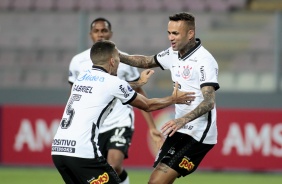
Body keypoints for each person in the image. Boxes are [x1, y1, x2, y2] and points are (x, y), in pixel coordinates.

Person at [52, 40, 195, 184]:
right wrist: (174, 99)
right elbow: (148, 105)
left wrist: (138, 83)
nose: (119, 63)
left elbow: (109, 87)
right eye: (118, 59)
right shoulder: (112, 82)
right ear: (112, 61)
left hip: (59, 151)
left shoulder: (81, 78)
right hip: (82, 152)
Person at [118, 12, 220, 184]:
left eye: (175, 33)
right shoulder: (173, 53)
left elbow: (209, 101)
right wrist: (117, 57)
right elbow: (146, 61)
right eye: (169, 33)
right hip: (179, 129)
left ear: (190, 34)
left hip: (198, 132)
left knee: (157, 181)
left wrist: (182, 120)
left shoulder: (205, 61)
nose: (170, 38)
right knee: (157, 180)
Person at [68, 18, 164, 184]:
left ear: (110, 34)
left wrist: (152, 127)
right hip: (94, 125)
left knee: (113, 166)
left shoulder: (124, 59)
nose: (100, 34)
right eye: (96, 31)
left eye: (104, 31)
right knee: (101, 172)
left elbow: (138, 90)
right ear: (90, 34)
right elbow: (75, 95)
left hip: (120, 121)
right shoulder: (78, 62)